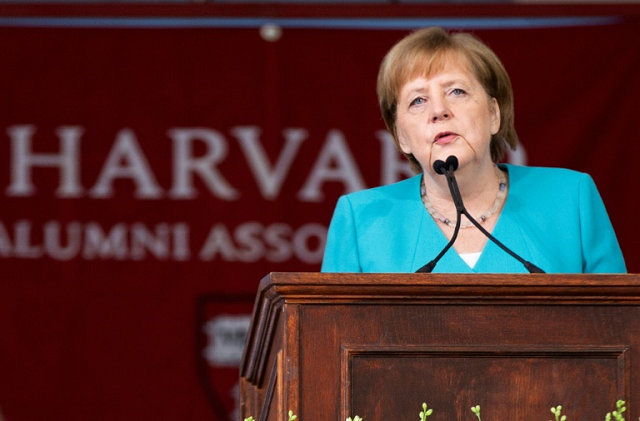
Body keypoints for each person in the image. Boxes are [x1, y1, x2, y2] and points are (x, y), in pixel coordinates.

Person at [321, 27, 626, 273]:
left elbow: (619, 329)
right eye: (418, 100)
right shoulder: (362, 220)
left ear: (494, 114)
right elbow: (330, 343)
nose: (439, 110)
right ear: (401, 136)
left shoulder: (571, 198)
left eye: (457, 91)